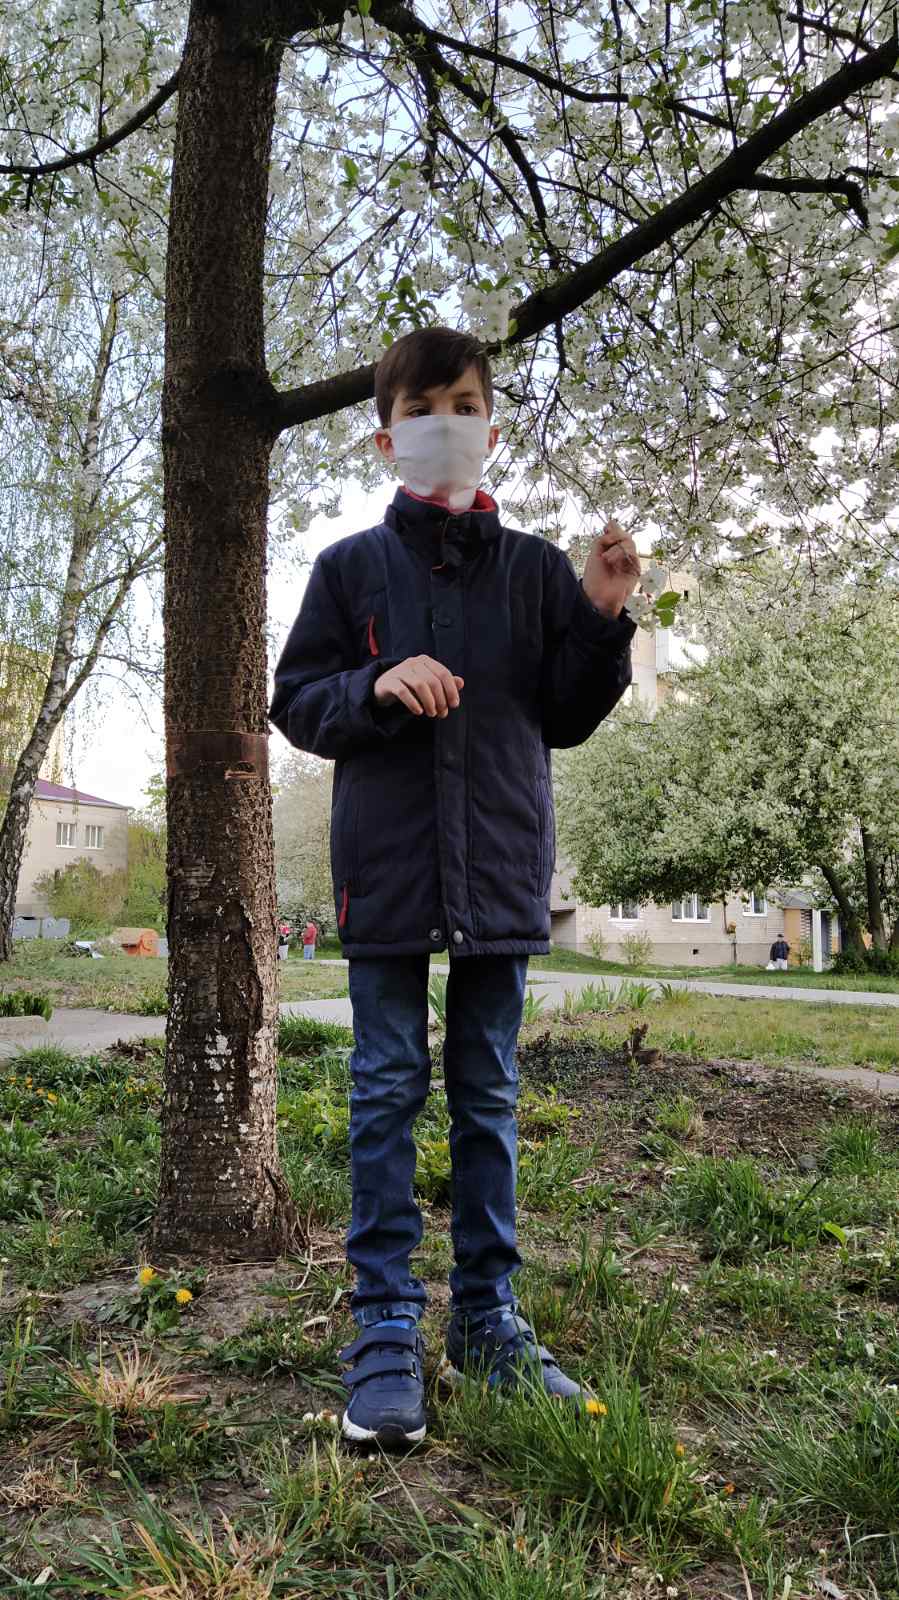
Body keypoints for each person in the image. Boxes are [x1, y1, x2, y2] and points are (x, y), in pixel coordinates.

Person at [269, 325, 641, 1447]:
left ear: (491, 426)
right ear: (385, 437)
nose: (447, 423)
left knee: (487, 1094)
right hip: (386, 870)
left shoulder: (534, 570)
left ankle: (487, 1319)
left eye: (465, 404)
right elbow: (297, 701)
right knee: (385, 1086)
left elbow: (564, 715)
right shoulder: (347, 568)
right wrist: (378, 681)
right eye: (423, 407)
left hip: (502, 863)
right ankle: (384, 1326)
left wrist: (602, 614)